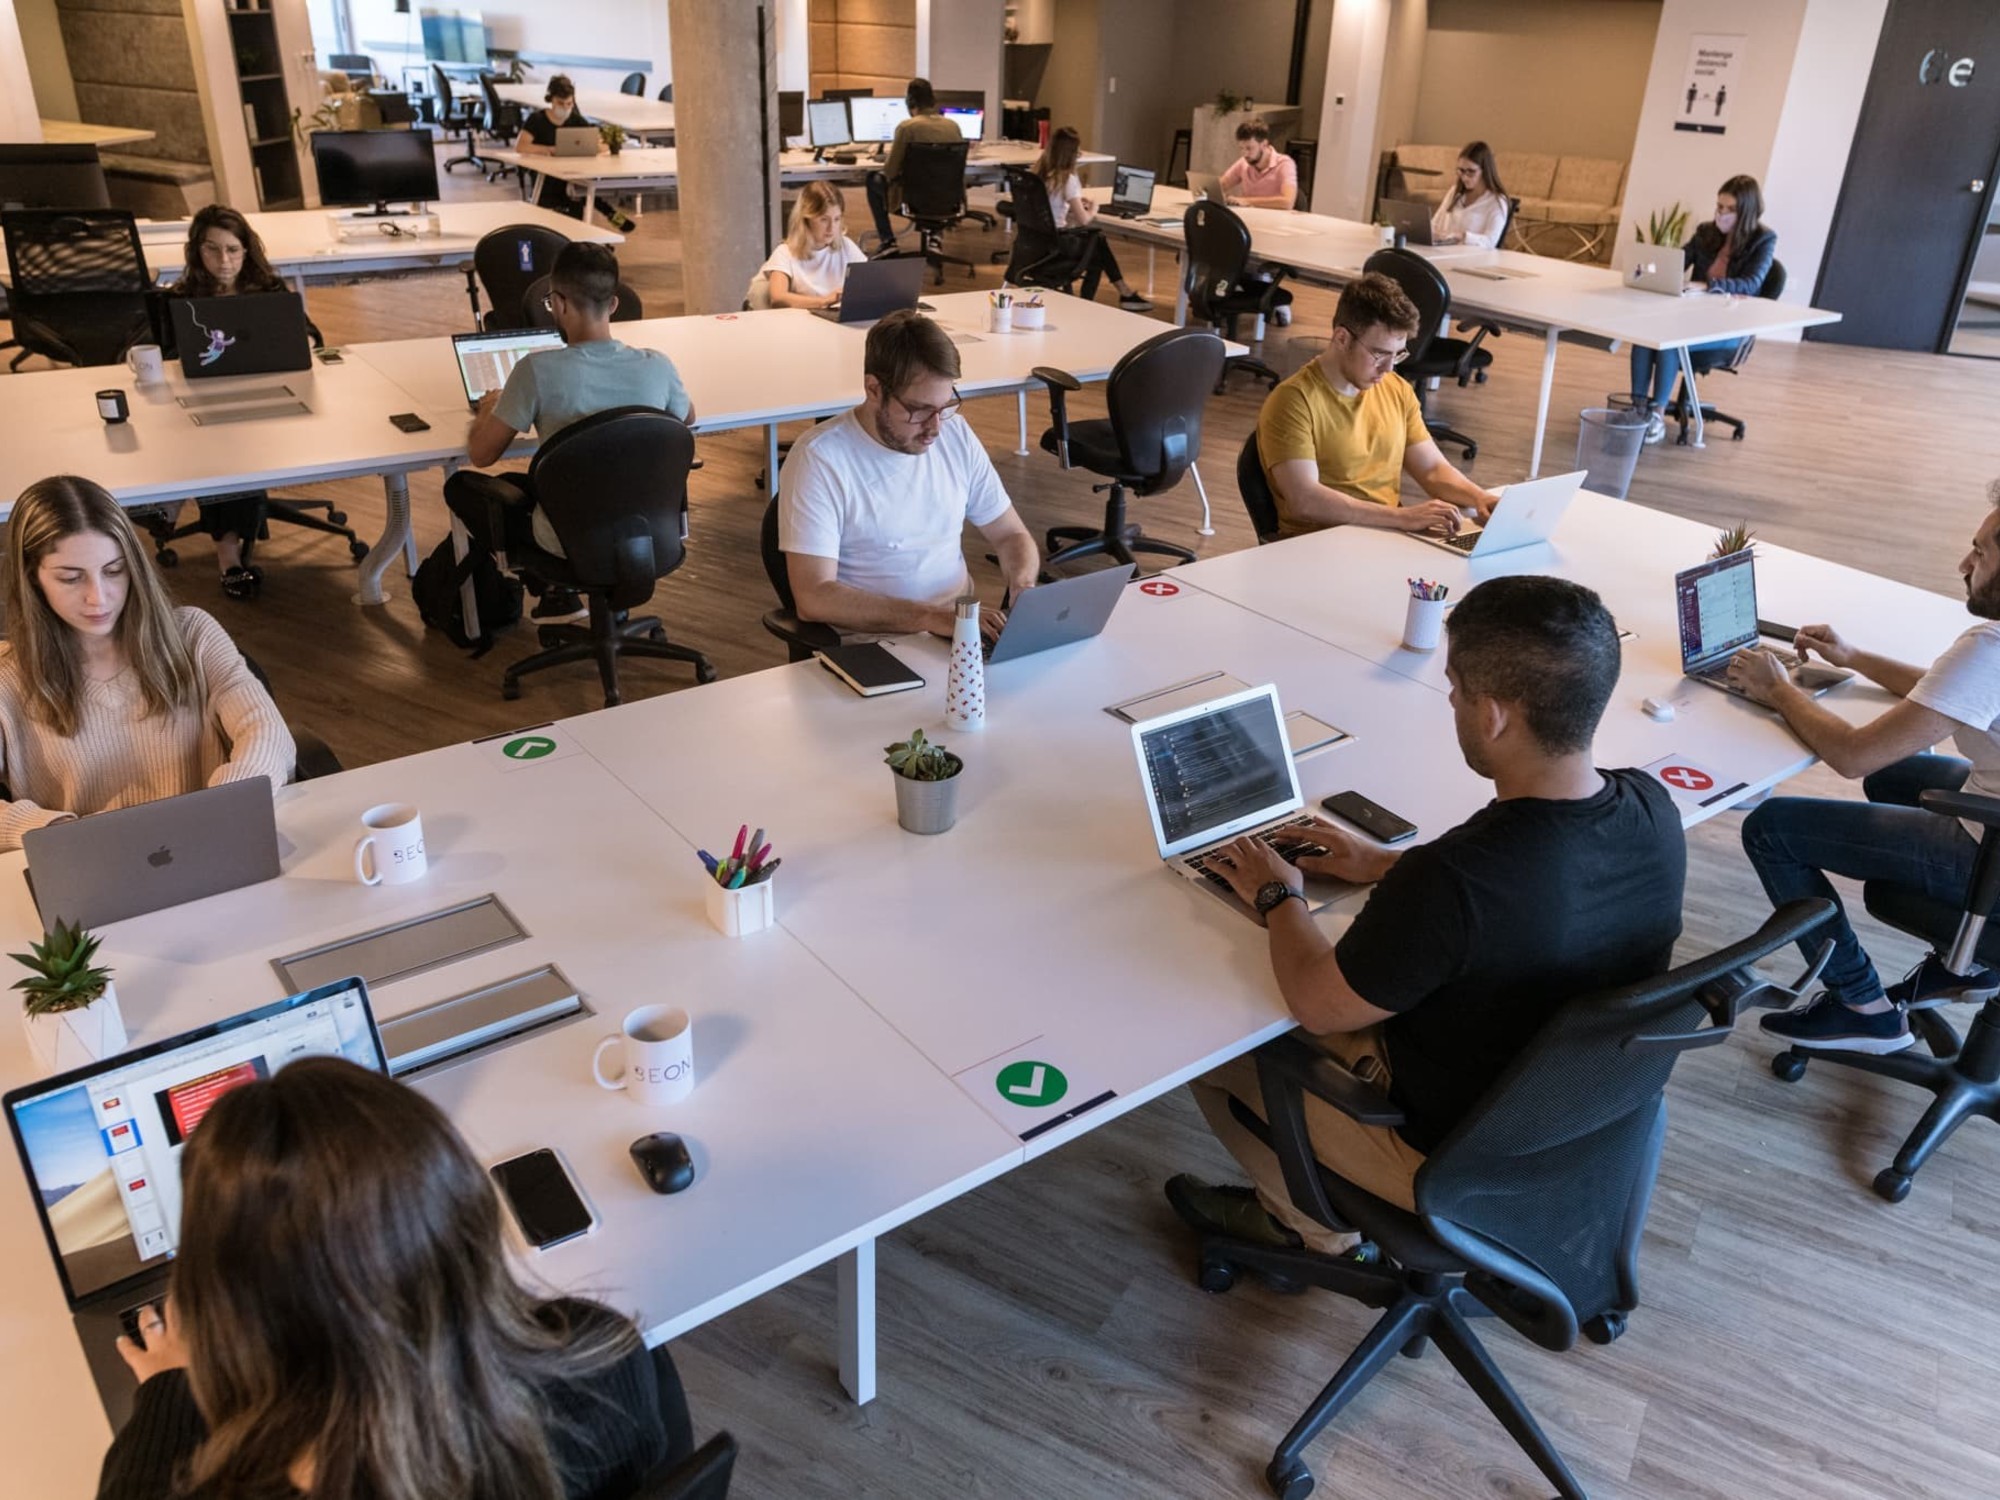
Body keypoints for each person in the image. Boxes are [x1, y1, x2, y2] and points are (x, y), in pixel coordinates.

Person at [1164, 576, 1686, 1253]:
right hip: (1570, 1115)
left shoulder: (1456, 881)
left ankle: (1304, 1229)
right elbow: (1535, 894)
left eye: (1457, 688)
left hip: (1447, 1155)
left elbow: (1317, 1004)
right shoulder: (1651, 807)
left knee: (1213, 1043)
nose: (1452, 701)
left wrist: (1277, 894)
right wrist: (1381, 864)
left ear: (1494, 716)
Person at [96, 1056, 692, 1500]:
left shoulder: (233, 1485)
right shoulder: (600, 1358)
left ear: (226, 1303)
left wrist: (168, 1393)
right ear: (463, 1216)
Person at [1734, 484, 2000, 1055]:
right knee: (1896, 776)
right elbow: (1950, 697)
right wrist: (1854, 658)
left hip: (1990, 850)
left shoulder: (1991, 647)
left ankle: (1863, 1007)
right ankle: (1973, 960)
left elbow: (1853, 756)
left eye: (1981, 553)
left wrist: (1779, 690)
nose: (1964, 564)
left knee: (1772, 827)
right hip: (1992, 807)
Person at [0, 475, 293, 853]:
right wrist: (54, 831)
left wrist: (222, 804)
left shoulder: (193, 633)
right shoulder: (8, 678)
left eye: (113, 570)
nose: (98, 598)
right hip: (89, 868)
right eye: (70, 578)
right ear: (32, 579)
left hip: (209, 846)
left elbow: (266, 730)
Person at [448, 242, 695, 617]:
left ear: (558, 304)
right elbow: (686, 419)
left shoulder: (536, 371)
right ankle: (565, 595)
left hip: (567, 540)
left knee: (462, 488)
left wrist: (489, 409)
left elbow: (481, 455)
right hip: (648, 533)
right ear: (613, 304)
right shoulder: (658, 366)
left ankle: (552, 586)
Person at [778, 309, 1038, 638]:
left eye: (946, 406)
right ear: (874, 389)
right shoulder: (820, 459)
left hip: (957, 632)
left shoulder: (954, 432)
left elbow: (1010, 535)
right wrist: (930, 617)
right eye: (919, 410)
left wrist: (1023, 584)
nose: (935, 428)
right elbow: (814, 596)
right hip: (876, 645)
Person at [1257, 272, 1498, 539]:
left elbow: (1431, 469)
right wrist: (1403, 518)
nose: (1389, 367)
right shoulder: (1293, 401)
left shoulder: (1396, 389)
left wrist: (1480, 498)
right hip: (1321, 545)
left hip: (1386, 535)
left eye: (1398, 354)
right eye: (1380, 353)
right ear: (1342, 338)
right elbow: (1305, 500)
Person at [167, 206, 293, 600]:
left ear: (246, 250)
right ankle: (227, 550)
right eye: (213, 249)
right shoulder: (181, 298)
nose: (224, 261)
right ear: (196, 251)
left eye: (233, 250)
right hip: (200, 399)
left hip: (269, 394)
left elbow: (301, 338)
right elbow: (167, 354)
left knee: (232, 443)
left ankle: (222, 537)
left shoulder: (269, 290)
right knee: (218, 445)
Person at [1629, 174, 1776, 442]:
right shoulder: (1706, 232)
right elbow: (1675, 263)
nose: (1721, 214)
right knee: (1645, 337)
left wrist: (1707, 285)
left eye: (1730, 209)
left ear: (1747, 211)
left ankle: (1656, 416)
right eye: (1719, 206)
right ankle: (1637, 409)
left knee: (1671, 343)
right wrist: (1643, 269)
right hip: (1691, 319)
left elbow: (1752, 284)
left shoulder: (1763, 240)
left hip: (1729, 329)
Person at [1028, 126, 1151, 311]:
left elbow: (1050, 206)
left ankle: (1120, 293)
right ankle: (1106, 298)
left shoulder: (1038, 174)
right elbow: (1084, 220)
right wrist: (1093, 208)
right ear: (1071, 154)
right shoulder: (1067, 179)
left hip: (1035, 245)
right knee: (1097, 242)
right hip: (1059, 245)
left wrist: (1073, 202)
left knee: (1096, 246)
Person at [865, 77, 964, 249]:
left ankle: (888, 241)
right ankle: (935, 236)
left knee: (872, 179)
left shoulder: (907, 128)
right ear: (932, 100)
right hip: (947, 201)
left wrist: (885, 159)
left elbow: (890, 172)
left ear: (909, 102)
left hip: (913, 201)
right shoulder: (953, 126)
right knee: (934, 184)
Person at [755, 181, 867, 310]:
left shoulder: (846, 246)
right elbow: (778, 298)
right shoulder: (785, 253)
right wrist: (824, 301)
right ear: (806, 219)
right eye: (824, 219)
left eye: (837, 219)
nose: (832, 227)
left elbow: (871, 283)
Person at [513, 74, 601, 215]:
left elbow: (599, 144)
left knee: (580, 193)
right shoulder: (536, 119)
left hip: (572, 172)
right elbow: (521, 147)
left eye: (569, 104)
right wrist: (548, 149)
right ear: (551, 100)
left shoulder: (577, 121)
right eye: (560, 103)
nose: (565, 108)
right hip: (545, 173)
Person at [1429, 141, 1509, 249]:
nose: (1465, 177)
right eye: (1461, 171)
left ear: (1484, 171)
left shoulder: (1496, 201)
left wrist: (1464, 237)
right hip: (1443, 251)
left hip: (1472, 258)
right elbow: (1434, 224)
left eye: (1471, 171)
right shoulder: (1455, 192)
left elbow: (1490, 242)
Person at [1219, 117, 1298, 211]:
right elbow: (1220, 185)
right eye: (1241, 148)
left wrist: (1247, 201)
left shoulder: (1284, 164)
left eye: (1249, 148)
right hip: (1250, 218)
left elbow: (1287, 202)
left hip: (1275, 221)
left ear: (1264, 144)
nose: (1244, 154)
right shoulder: (1244, 163)